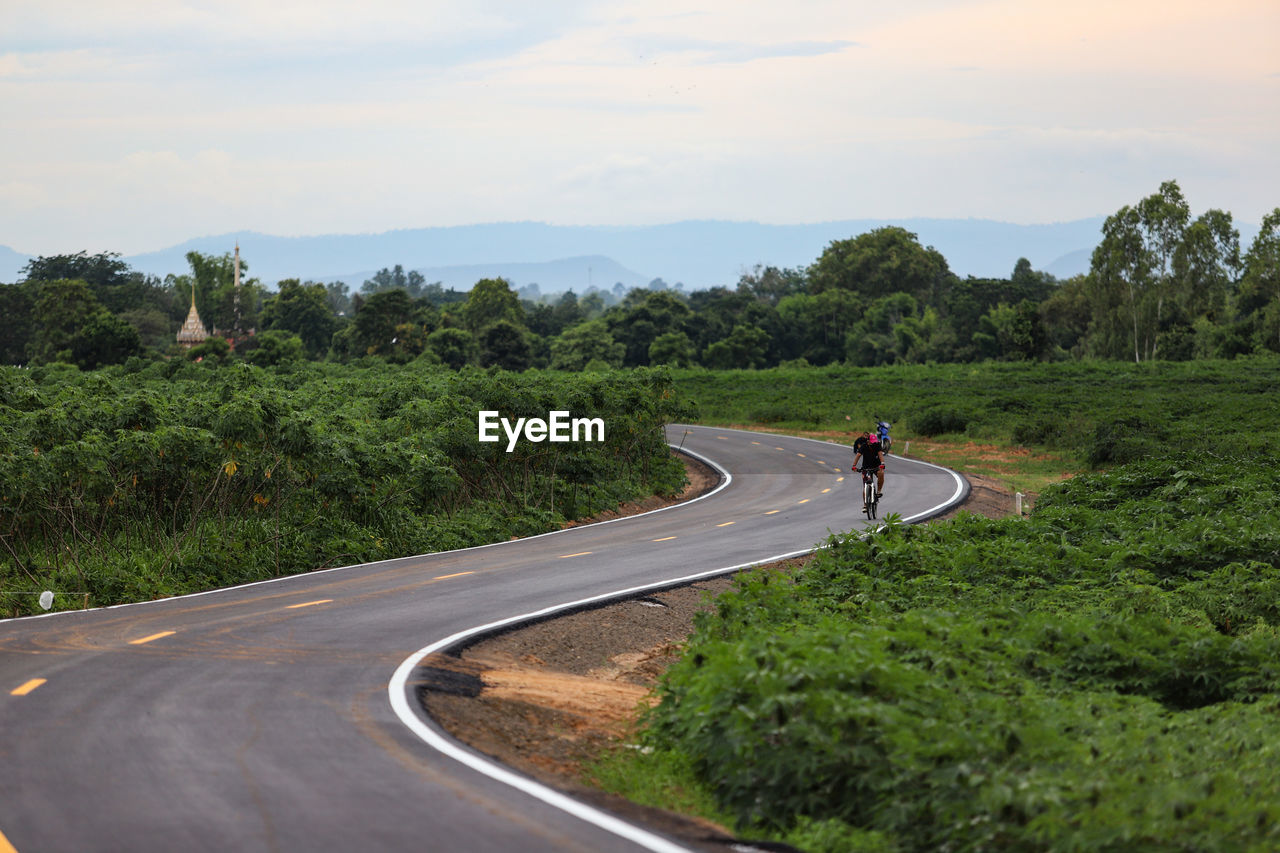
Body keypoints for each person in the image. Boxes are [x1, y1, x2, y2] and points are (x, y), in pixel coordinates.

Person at [852, 432, 885, 498]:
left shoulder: (877, 445)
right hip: (866, 467)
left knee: (881, 473)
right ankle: (865, 505)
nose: (873, 443)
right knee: (865, 486)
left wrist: (882, 463)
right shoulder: (864, 446)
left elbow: (880, 454)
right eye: (872, 442)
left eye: (874, 441)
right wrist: (854, 466)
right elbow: (858, 455)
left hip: (876, 466)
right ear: (868, 441)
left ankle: (878, 491)